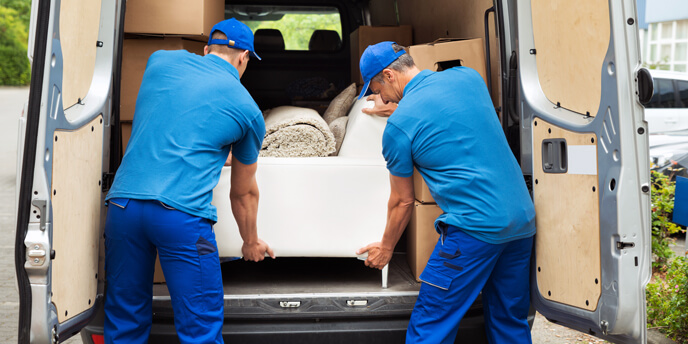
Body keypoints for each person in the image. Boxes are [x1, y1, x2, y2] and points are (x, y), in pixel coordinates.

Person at [103, 18, 274, 344]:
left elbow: (180, 119)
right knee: (200, 331)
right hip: (179, 216)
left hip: (123, 207)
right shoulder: (248, 110)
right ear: (244, 59)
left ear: (207, 49)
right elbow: (243, 193)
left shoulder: (160, 61)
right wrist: (250, 241)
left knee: (124, 323)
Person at [355, 41, 536, 344]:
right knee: (509, 321)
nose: (378, 97)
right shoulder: (468, 77)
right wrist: (401, 105)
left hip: (474, 230)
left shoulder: (398, 129)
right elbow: (446, 108)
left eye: (375, 89)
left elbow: (403, 200)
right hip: (521, 222)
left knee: (431, 324)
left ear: (389, 75)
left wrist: (386, 249)